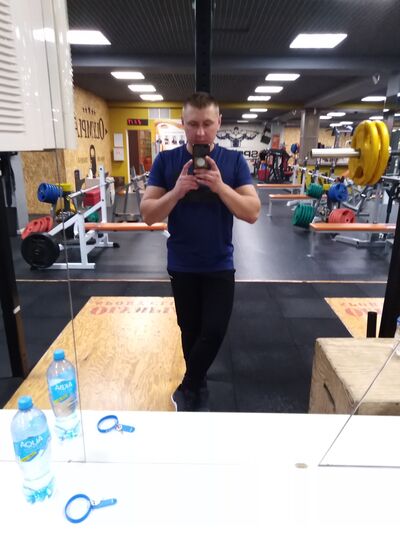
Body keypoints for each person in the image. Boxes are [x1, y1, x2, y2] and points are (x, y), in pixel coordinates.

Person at [140, 92, 261, 411]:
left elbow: (252, 212)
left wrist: (220, 187)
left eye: (208, 123)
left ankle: (189, 383)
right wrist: (177, 192)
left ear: (219, 122)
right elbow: (148, 214)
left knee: (214, 330)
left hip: (219, 263)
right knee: (190, 330)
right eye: (193, 124)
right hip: (182, 264)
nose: (201, 132)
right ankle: (198, 386)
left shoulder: (233, 162)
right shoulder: (166, 162)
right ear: (183, 123)